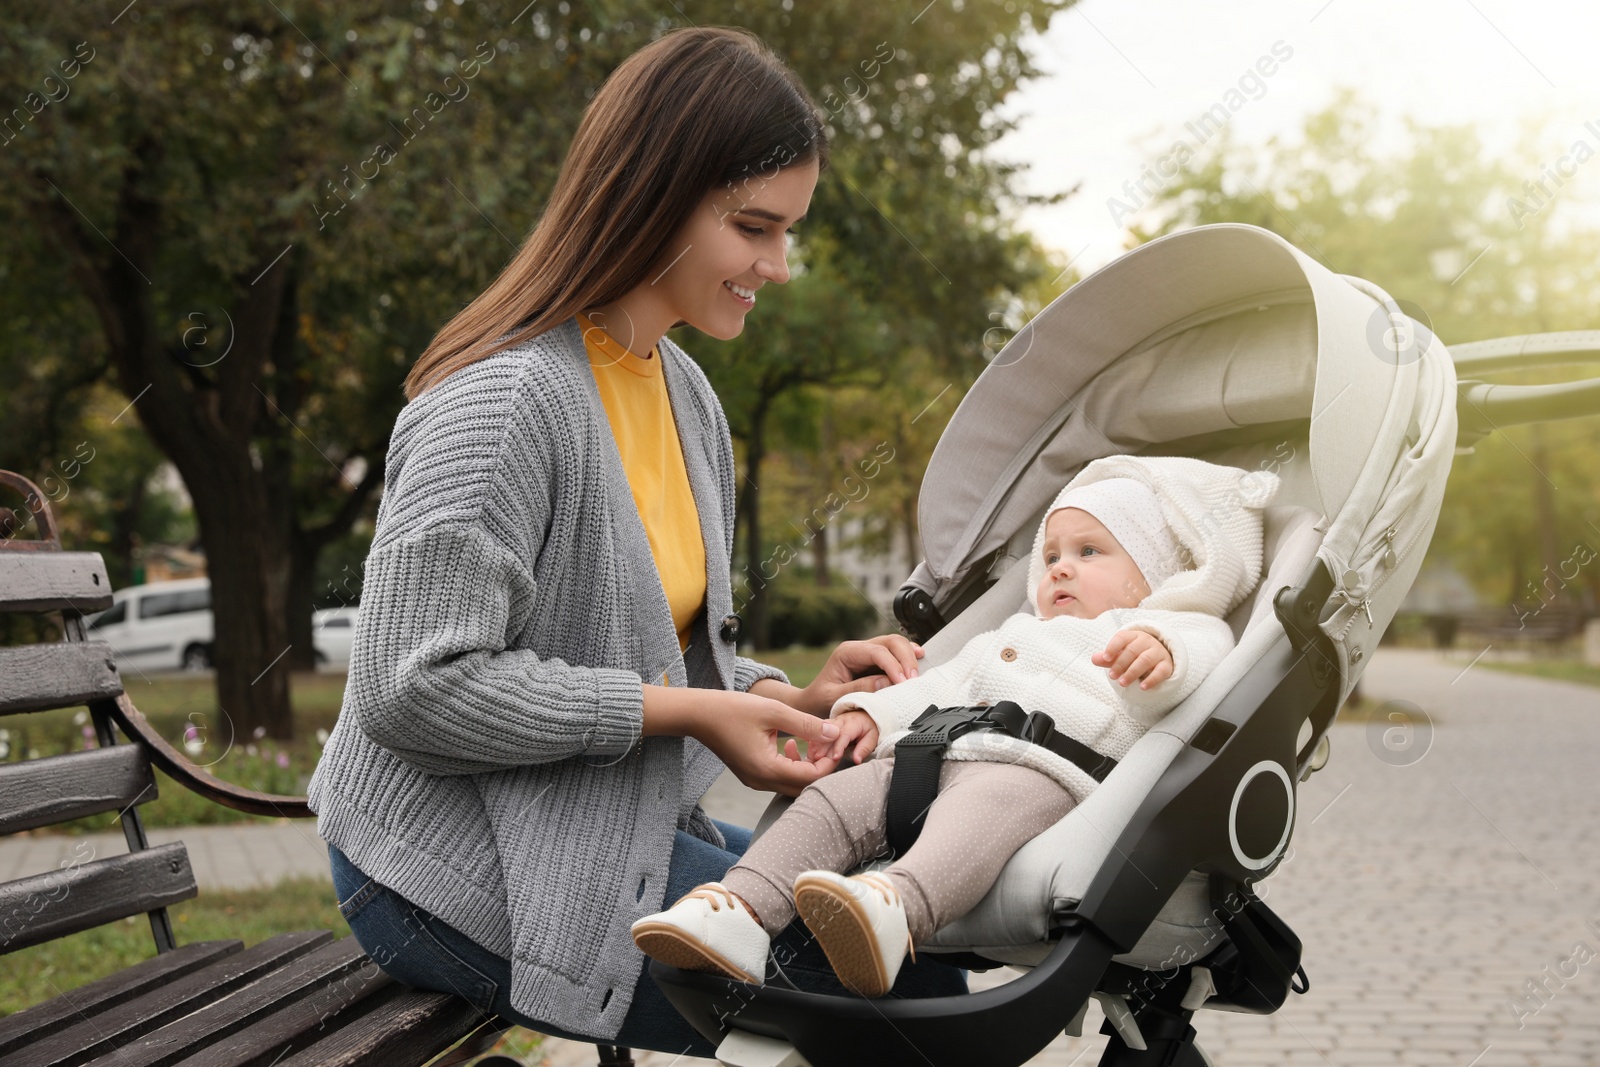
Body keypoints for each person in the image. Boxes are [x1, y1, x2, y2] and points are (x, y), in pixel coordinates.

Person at [306, 26, 965, 1059]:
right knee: (909, 1001)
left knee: (927, 957)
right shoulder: (503, 403)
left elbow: (633, 644)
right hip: (443, 866)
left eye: (788, 231)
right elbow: (409, 687)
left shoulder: (684, 391)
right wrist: (700, 710)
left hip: (584, 831)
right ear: (655, 194)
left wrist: (784, 695)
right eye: (755, 226)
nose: (778, 266)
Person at [632, 456, 1279, 996]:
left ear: (1157, 572)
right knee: (833, 800)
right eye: (1051, 553)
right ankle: (738, 911)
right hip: (932, 753)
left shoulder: (1173, 627)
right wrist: (870, 712)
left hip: (1041, 774)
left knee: (976, 814)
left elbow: (1198, 670)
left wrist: (1162, 658)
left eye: (1089, 551)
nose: (1059, 566)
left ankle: (896, 908)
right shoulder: (1018, 632)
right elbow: (943, 683)